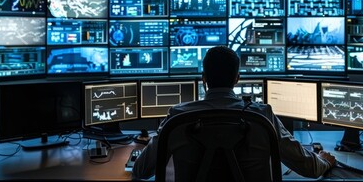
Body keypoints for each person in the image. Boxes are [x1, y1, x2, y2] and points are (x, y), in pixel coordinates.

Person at [131, 46, 336, 180]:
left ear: (204, 79)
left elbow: (140, 171)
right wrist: (325, 161)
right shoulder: (262, 116)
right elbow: (308, 167)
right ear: (237, 79)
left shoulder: (177, 118)